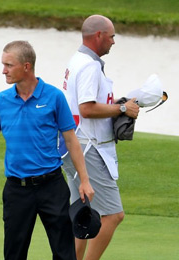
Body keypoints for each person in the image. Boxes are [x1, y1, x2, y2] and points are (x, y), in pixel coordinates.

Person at [0, 40, 94, 260]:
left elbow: (71, 141)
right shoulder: (1, 101)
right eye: (3, 64)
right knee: (14, 254)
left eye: (8, 65)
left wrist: (84, 180)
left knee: (64, 253)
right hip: (17, 190)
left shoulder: (54, 97)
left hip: (51, 186)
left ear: (26, 66)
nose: (3, 70)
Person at [61, 14, 139, 260]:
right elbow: (87, 108)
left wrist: (117, 104)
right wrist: (123, 109)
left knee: (82, 214)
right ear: (99, 36)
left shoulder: (77, 60)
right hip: (87, 148)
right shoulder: (89, 66)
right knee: (114, 215)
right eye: (112, 36)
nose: (114, 41)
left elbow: (87, 105)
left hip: (73, 145)